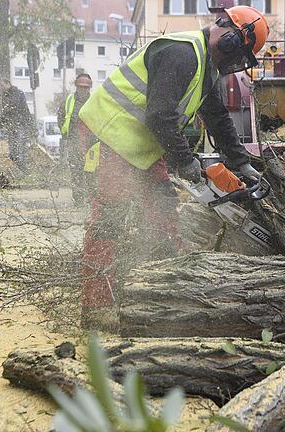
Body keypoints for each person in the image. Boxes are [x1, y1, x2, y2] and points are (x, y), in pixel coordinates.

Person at [77, 5, 268, 311]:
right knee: (110, 220)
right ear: (230, 37)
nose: (233, 61)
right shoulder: (182, 53)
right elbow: (159, 115)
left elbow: (217, 117)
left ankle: (157, 294)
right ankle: (96, 306)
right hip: (110, 135)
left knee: (163, 210)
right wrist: (185, 161)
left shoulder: (205, 67)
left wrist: (241, 162)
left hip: (142, 147)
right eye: (237, 53)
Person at [57, 73, 92, 205]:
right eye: (81, 87)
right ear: (76, 87)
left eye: (86, 87)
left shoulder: (94, 101)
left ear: (89, 88)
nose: (83, 90)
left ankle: (90, 198)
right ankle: (78, 198)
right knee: (76, 171)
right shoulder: (69, 101)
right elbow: (60, 117)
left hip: (91, 144)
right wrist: (65, 133)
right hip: (74, 141)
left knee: (91, 172)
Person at [0, 78, 34, 168]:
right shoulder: (5, 95)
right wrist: (2, 121)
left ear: (7, 83)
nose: (0, 87)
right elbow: (5, 110)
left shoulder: (17, 93)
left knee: (19, 147)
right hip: (11, 125)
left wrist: (29, 124)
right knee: (12, 147)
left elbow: (22, 108)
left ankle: (21, 167)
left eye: (1, 85)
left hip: (19, 124)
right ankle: (14, 167)